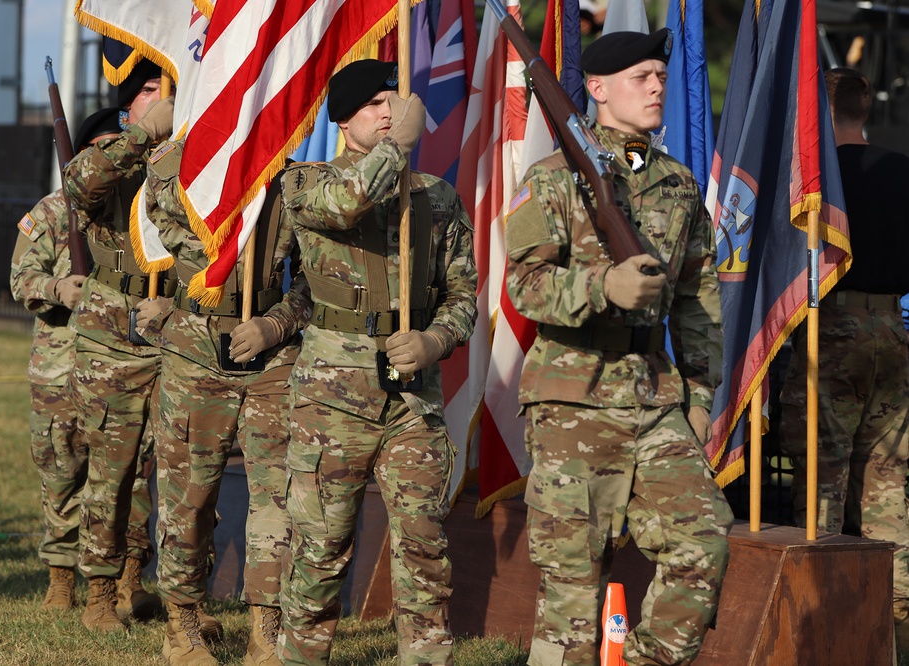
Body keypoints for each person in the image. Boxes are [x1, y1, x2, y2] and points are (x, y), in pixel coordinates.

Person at [504, 30, 733, 665]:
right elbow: (523, 286)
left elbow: (697, 299)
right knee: (573, 591)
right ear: (598, 91)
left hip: (654, 398)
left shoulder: (679, 184)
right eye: (642, 77)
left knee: (705, 540)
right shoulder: (551, 180)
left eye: (661, 75)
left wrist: (701, 394)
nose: (659, 86)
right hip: (571, 399)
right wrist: (604, 284)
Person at [276, 59, 478, 666]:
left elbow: (464, 294)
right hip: (331, 398)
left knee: (423, 544)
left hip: (412, 399)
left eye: (395, 100)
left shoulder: (435, 197)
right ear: (342, 120)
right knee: (321, 546)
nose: (389, 113)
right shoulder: (306, 181)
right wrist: (399, 150)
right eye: (374, 105)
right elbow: (347, 203)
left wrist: (435, 342)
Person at [137, 133, 309, 665]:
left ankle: (266, 631)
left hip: (271, 353)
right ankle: (182, 627)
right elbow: (157, 195)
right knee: (189, 496)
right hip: (196, 349)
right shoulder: (191, 167)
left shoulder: (295, 179)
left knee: (277, 499)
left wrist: (275, 323)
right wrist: (193, 133)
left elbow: (316, 279)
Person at [9, 108, 162, 613]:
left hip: (121, 365)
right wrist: (57, 287)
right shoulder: (53, 213)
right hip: (60, 367)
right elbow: (20, 278)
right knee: (62, 473)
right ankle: (60, 577)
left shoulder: (142, 215)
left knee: (130, 478)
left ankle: (128, 578)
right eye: (101, 150)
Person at [779, 67, 909, 650]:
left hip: (828, 332)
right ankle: (895, 630)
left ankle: (823, 627)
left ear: (820, 115)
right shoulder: (902, 172)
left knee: (821, 484)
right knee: (887, 485)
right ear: (862, 110)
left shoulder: (815, 183)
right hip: (893, 330)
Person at [62, 58, 176, 634]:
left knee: (178, 472)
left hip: (180, 329)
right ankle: (100, 594)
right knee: (113, 470)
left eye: (168, 88)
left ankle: (144, 581)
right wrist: (141, 135)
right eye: (149, 89)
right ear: (129, 101)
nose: (162, 97)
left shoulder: (194, 158)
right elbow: (79, 183)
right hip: (113, 334)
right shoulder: (116, 151)